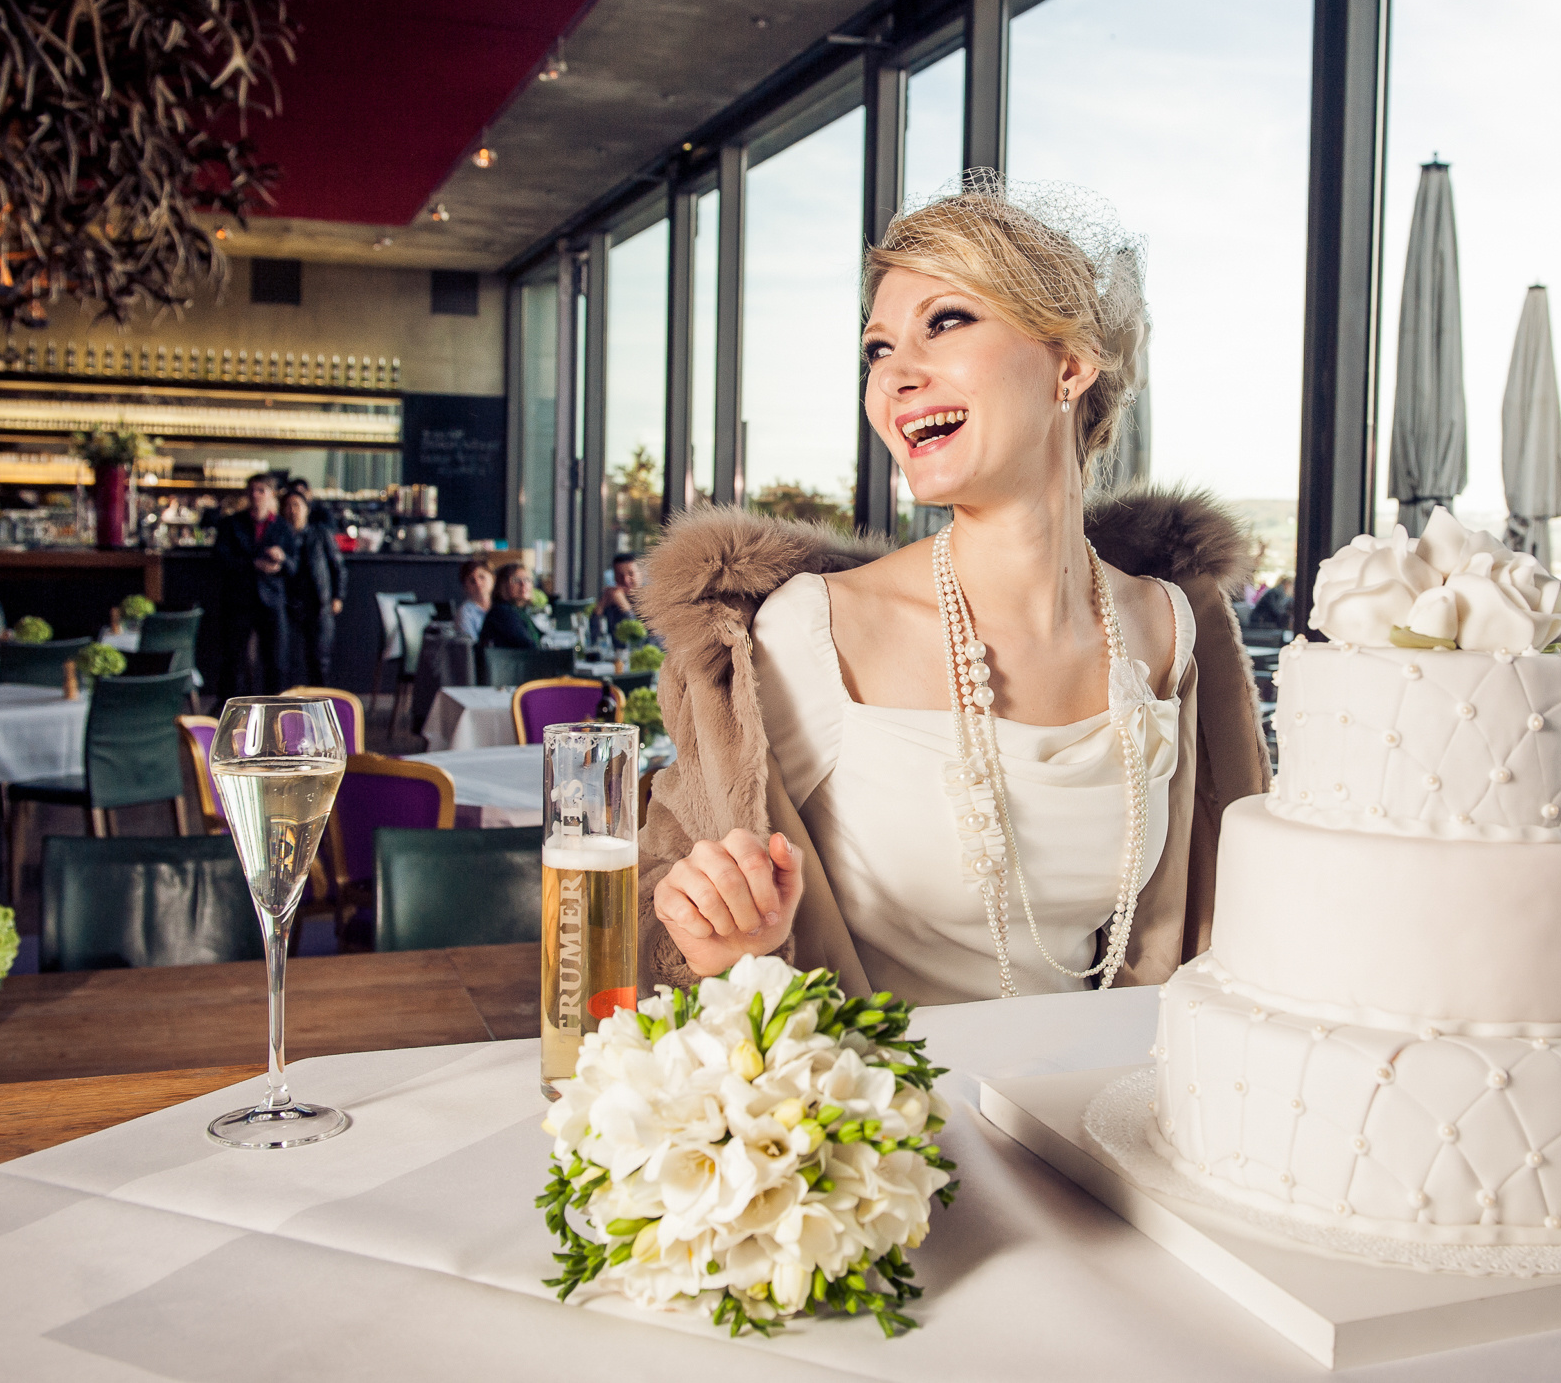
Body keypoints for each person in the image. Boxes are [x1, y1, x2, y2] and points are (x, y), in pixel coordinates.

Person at [636, 179, 1269, 1004]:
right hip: (872, 1117)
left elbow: (1216, 912)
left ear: (1071, 363)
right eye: (877, 348)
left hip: (1099, 1110)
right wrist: (709, 930)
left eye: (945, 322)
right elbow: (661, 882)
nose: (896, 375)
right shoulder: (816, 632)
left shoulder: (1168, 631)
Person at [214, 473, 294, 696]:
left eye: (261, 490)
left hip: (272, 599)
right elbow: (220, 560)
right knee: (234, 659)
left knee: (276, 660)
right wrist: (253, 564)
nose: (255, 495)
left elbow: (295, 566)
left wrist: (281, 561)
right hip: (240, 599)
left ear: (271, 494)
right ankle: (231, 711)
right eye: (252, 490)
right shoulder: (232, 524)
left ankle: (276, 709)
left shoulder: (282, 527)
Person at [282, 489, 346, 685]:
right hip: (289, 606)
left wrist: (338, 596)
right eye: (288, 506)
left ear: (306, 509)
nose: (292, 510)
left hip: (319, 605)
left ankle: (321, 709)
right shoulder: (280, 535)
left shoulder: (321, 534)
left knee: (319, 661)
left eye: (297, 505)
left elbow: (338, 567)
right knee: (288, 663)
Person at [482, 562, 542, 650]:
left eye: (527, 579)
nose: (523, 584)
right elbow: (528, 646)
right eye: (516, 580)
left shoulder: (520, 610)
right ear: (503, 585)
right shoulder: (502, 612)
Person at [599, 552, 642, 637]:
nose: (625, 580)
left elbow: (642, 642)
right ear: (614, 577)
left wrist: (625, 608)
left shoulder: (653, 603)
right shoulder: (611, 599)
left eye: (631, 574)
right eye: (620, 575)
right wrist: (601, 606)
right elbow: (592, 638)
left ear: (641, 574)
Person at [455, 557, 494, 642]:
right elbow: (470, 645)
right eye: (472, 581)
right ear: (465, 587)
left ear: (493, 578)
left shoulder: (502, 605)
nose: (478, 583)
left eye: (482, 577)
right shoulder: (465, 612)